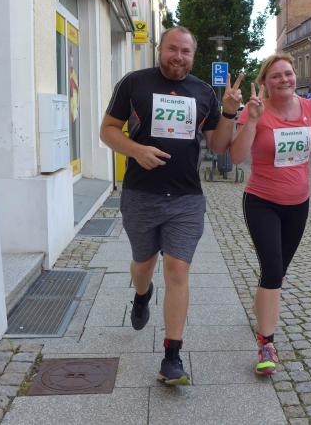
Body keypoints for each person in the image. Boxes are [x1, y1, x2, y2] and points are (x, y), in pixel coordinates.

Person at [99, 26, 243, 386]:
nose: (178, 56)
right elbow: (108, 130)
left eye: (185, 51)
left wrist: (229, 114)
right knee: (143, 263)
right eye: (172, 49)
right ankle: (142, 294)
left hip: (186, 198)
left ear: (193, 56)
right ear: (160, 49)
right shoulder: (134, 83)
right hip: (141, 194)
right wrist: (136, 150)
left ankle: (172, 356)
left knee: (177, 270)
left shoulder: (203, 92)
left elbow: (219, 146)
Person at [229, 52, 311, 376]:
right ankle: (266, 344)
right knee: (272, 269)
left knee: (277, 273)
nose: (284, 79)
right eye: (276, 75)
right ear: (265, 82)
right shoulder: (256, 110)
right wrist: (252, 120)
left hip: (298, 204)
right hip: (261, 201)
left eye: (288, 73)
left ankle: (261, 310)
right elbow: (236, 157)